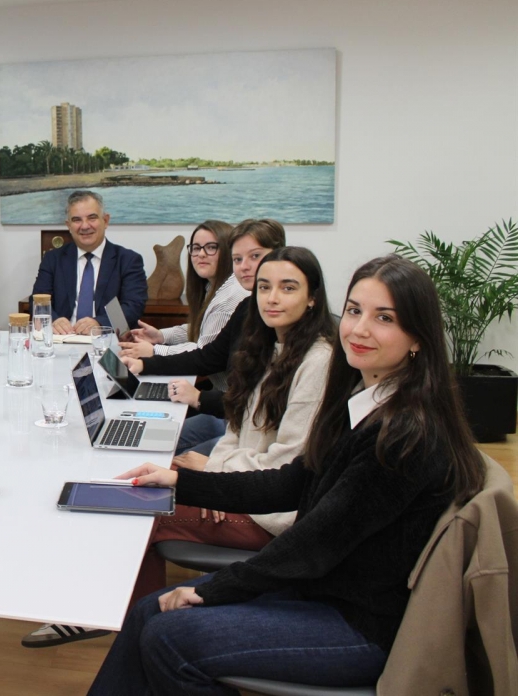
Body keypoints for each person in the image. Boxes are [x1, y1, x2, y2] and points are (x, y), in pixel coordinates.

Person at [88, 255, 486, 695]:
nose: (359, 329)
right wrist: (181, 482)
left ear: (417, 338)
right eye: (354, 311)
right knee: (149, 612)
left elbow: (316, 542)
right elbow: (292, 482)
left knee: (168, 637)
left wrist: (216, 590)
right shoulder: (364, 400)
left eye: (384, 318)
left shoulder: (404, 435)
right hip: (318, 589)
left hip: (357, 623)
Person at [129, 246, 336, 607]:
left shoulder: (318, 362)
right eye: (264, 287)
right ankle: (135, 614)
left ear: (313, 298)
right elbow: (236, 430)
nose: (272, 298)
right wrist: (215, 476)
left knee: (142, 507)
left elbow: (286, 467)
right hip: (240, 485)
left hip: (271, 513)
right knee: (141, 478)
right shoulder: (270, 348)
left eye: (288, 288)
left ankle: (135, 616)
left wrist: (215, 473)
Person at [124, 219, 286, 456]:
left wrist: (198, 397)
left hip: (250, 430)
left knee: (168, 458)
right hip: (231, 414)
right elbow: (209, 356)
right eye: (238, 259)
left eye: (255, 256)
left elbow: (255, 403)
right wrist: (146, 363)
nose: (244, 266)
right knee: (144, 439)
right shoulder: (247, 307)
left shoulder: (249, 306)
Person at [119, 220, 249, 375]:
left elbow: (203, 352)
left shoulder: (229, 298)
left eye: (211, 247)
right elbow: (203, 327)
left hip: (225, 388)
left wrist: (154, 350)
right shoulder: (214, 286)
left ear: (229, 252)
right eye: (196, 248)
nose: (201, 254)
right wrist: (160, 336)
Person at [30, 190, 147, 334]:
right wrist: (54, 320)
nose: (85, 226)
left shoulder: (128, 260)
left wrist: (100, 323)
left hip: (106, 339)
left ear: (105, 221)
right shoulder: (53, 259)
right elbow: (37, 301)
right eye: (77, 220)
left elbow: (133, 306)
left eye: (92, 218)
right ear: (68, 225)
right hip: (63, 339)